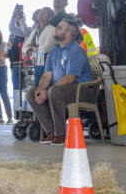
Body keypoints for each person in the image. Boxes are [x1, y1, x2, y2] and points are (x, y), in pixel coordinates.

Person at [25, 15, 95, 144]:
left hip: (83, 90)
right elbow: (47, 75)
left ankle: (61, 134)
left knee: (54, 92)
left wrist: (49, 90)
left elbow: (70, 78)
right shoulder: (54, 51)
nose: (55, 29)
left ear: (68, 33)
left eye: (59, 27)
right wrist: (41, 90)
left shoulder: (75, 50)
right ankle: (51, 131)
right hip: (65, 89)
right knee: (31, 93)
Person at [23, 7, 55, 84]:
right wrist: (33, 49)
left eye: (44, 12)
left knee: (39, 87)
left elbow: (45, 49)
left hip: (44, 64)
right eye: (40, 12)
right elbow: (24, 47)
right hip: (31, 62)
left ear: (50, 17)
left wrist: (32, 49)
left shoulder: (52, 29)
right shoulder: (35, 30)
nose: (40, 13)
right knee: (30, 87)